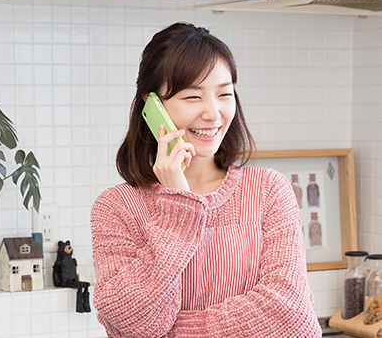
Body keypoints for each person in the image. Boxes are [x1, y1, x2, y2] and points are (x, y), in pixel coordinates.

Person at [90, 22, 322, 337]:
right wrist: (177, 211)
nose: (213, 113)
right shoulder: (116, 207)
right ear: (152, 105)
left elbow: (290, 319)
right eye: (192, 97)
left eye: (224, 94)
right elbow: (130, 321)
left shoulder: (268, 190)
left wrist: (172, 332)